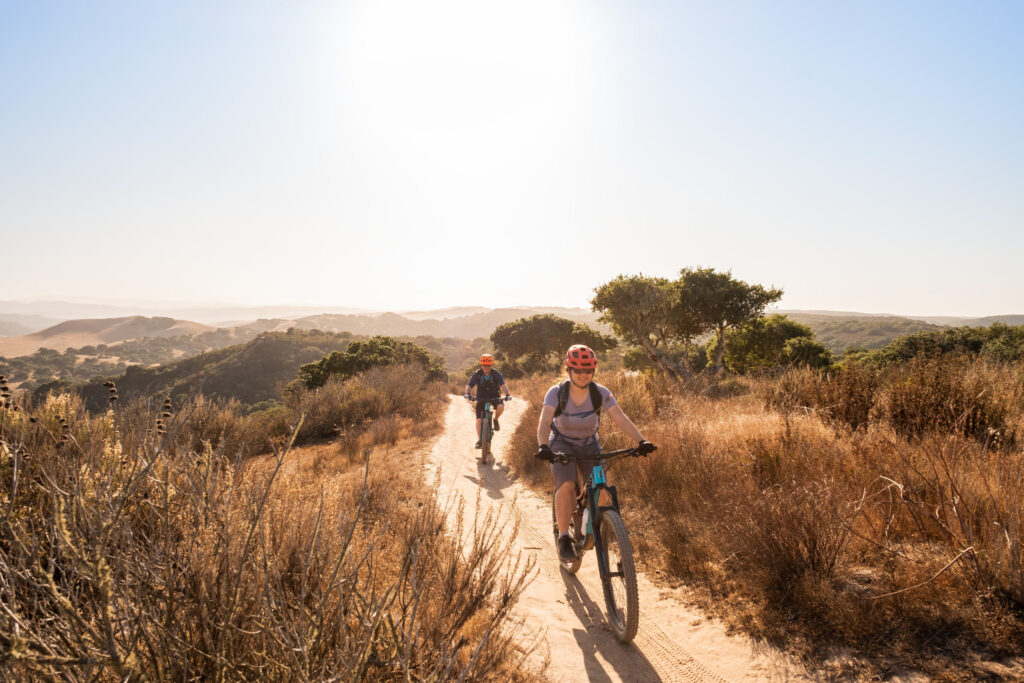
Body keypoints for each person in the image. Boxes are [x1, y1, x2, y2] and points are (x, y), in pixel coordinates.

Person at [535, 344, 656, 563]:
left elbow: (619, 417)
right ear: (568, 370)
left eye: (588, 370)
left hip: (590, 445)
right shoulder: (556, 392)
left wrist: (641, 440)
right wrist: (544, 446)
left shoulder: (600, 392)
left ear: (594, 371)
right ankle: (563, 537)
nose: (583, 375)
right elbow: (544, 422)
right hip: (561, 443)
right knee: (566, 485)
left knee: (600, 493)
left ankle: (586, 523)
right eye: (578, 370)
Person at [464, 354, 511, 449]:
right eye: (484, 365)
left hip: (495, 396)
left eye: (488, 365)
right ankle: (480, 440)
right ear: (481, 365)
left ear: (491, 365)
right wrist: (467, 393)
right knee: (478, 419)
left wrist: (508, 394)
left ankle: (495, 419)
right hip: (481, 397)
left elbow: (503, 385)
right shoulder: (477, 374)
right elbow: (470, 385)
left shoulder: (496, 374)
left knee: (501, 407)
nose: (486, 367)